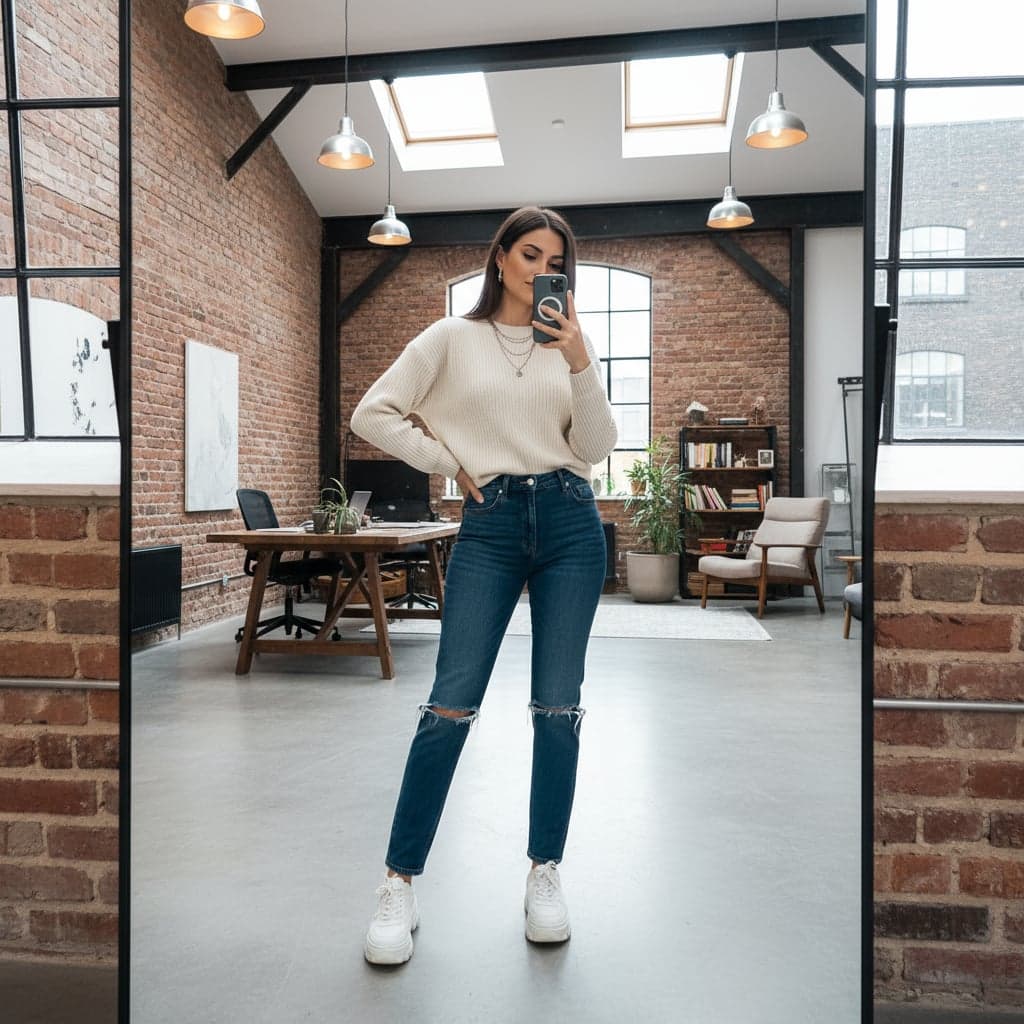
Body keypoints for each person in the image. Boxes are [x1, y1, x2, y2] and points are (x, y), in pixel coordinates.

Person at [350, 205, 617, 965]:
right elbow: (375, 412)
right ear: (500, 258)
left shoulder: (570, 349)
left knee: (558, 708)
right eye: (528, 253)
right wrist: (446, 464)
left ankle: (544, 872)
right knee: (448, 705)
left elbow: (594, 449)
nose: (540, 269)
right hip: (491, 524)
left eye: (554, 259)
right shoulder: (448, 340)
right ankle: (398, 884)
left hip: (571, 524)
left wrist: (581, 362)